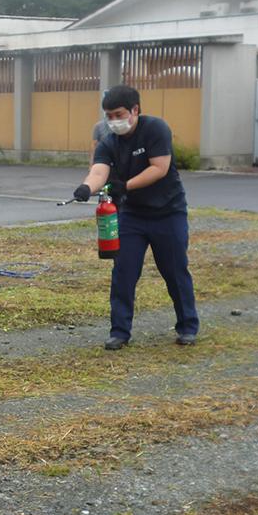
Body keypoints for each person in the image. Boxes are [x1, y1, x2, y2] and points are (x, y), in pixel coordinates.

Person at [72, 85, 199, 350]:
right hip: (132, 215)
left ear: (135, 110)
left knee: (174, 271)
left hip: (168, 212)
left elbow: (159, 168)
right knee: (124, 272)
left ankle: (187, 326)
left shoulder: (155, 129)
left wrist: (125, 185)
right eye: (108, 116)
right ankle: (120, 331)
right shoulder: (109, 141)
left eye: (118, 114)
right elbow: (98, 171)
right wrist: (86, 187)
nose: (113, 121)